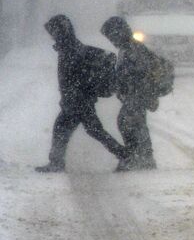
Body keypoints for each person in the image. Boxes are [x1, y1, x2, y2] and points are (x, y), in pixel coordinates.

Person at [35, 15, 127, 173]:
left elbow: (74, 78)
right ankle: (124, 155)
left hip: (77, 102)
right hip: (78, 100)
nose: (51, 36)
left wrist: (73, 97)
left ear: (59, 32)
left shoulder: (70, 49)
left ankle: (125, 155)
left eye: (52, 32)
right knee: (92, 130)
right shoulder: (70, 47)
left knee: (70, 129)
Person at [100, 16, 156, 171]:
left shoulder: (133, 49)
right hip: (134, 94)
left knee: (128, 123)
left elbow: (139, 73)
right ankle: (142, 157)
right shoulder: (127, 48)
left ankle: (138, 157)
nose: (111, 41)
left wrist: (127, 85)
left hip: (137, 94)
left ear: (120, 33)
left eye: (112, 36)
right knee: (133, 124)